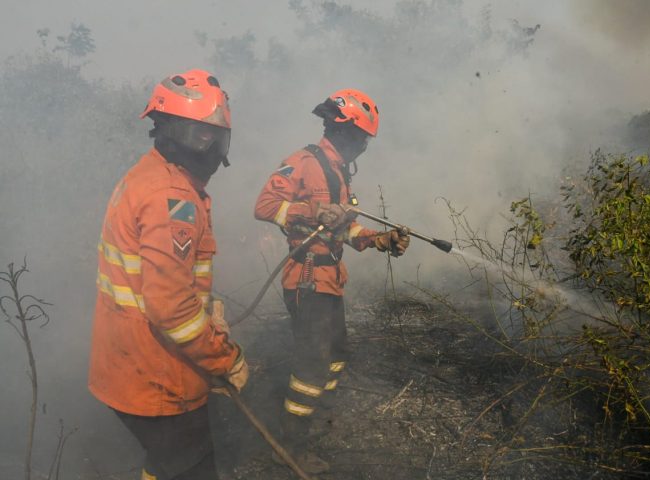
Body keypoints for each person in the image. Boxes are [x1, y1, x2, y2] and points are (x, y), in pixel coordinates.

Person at [88, 69, 248, 480]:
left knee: (168, 464)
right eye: (197, 135)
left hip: (133, 364)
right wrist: (224, 359)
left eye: (213, 136)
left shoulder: (151, 176)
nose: (207, 147)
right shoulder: (171, 198)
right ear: (165, 131)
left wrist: (209, 311)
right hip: (157, 375)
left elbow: (168, 285)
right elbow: (171, 310)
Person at [254, 89, 411, 473]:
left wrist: (379, 239)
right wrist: (312, 209)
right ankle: (290, 446)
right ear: (342, 130)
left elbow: (343, 228)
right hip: (307, 278)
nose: (362, 146)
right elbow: (265, 207)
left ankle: (314, 421)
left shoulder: (339, 173)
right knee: (311, 367)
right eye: (360, 138)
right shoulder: (303, 162)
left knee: (337, 356)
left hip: (329, 278)